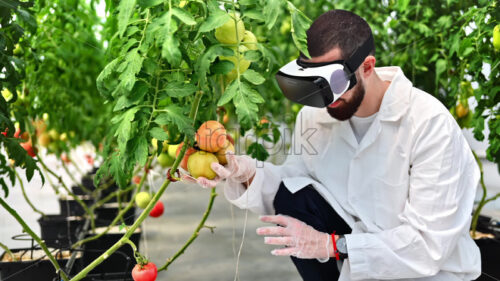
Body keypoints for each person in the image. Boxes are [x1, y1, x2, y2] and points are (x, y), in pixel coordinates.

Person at [185, 9, 481, 281]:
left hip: (431, 274)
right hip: (354, 264)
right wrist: (243, 172)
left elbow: (428, 246)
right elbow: (295, 185)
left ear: (367, 67)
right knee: (293, 197)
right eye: (315, 81)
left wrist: (330, 245)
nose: (326, 97)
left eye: (334, 82)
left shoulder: (429, 123)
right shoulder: (314, 116)